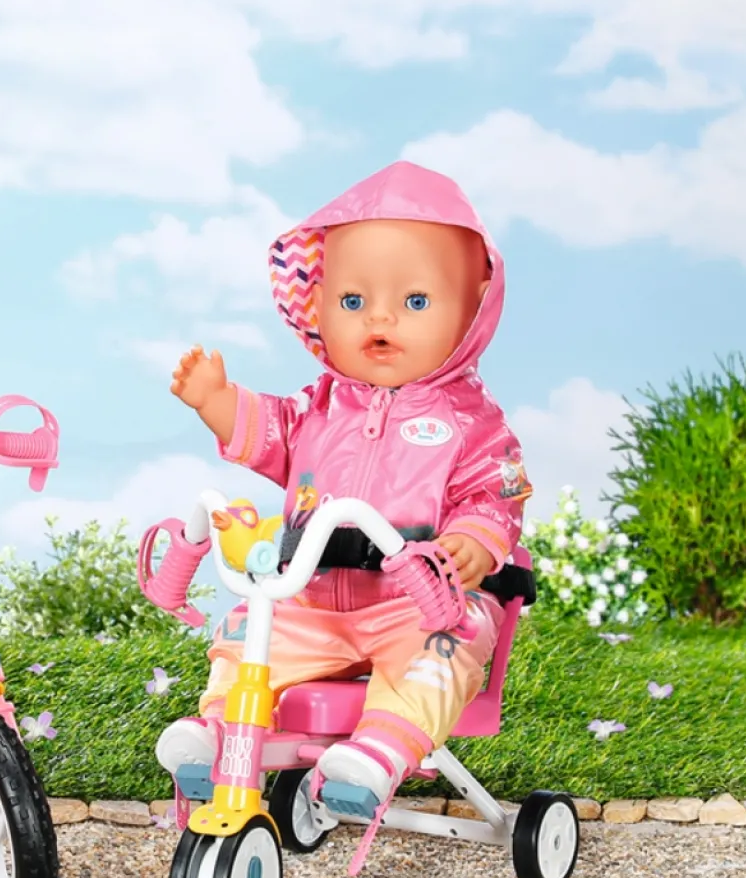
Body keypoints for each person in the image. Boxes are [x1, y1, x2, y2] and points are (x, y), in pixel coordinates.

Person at [159, 160, 532, 820]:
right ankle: (217, 728)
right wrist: (218, 402)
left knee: (443, 649)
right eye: (353, 302)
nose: (378, 319)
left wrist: (472, 542)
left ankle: (379, 752)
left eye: (415, 302)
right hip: (312, 602)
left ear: (473, 308)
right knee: (247, 633)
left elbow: (492, 496)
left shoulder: (472, 423)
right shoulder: (320, 407)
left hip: (416, 606)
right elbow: (273, 431)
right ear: (319, 304)